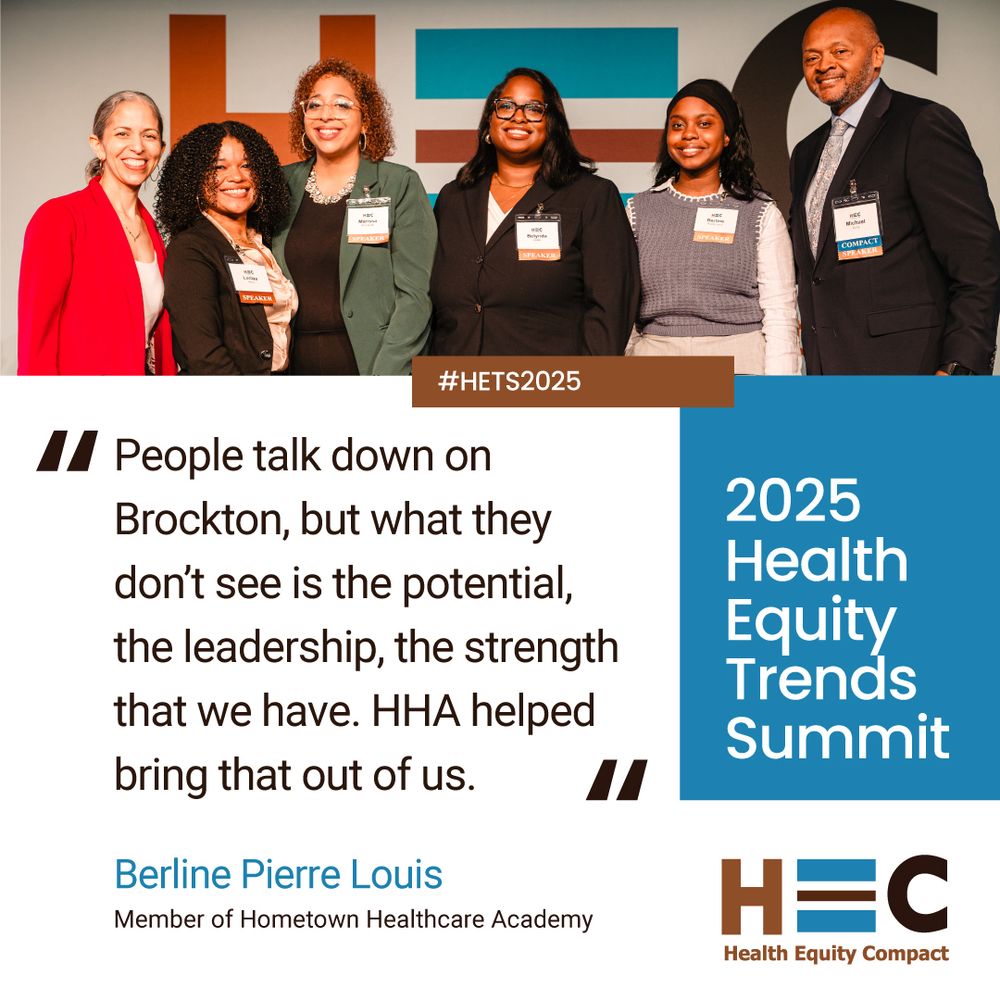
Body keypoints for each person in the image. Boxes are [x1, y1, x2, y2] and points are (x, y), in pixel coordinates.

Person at [790, 6, 1000, 374]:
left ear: (877, 56)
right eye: (812, 57)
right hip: (826, 371)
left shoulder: (921, 125)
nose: (824, 65)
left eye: (840, 51)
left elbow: (978, 259)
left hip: (911, 368)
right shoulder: (806, 152)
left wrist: (960, 365)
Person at [429, 67, 638, 355]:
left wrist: (590, 386)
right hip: (457, 382)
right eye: (506, 106)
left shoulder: (591, 197)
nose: (518, 116)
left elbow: (612, 305)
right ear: (489, 121)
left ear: (552, 123)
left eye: (534, 109)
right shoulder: (453, 198)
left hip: (549, 387)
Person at [272, 59, 436, 375]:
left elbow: (417, 295)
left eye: (343, 105)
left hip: (374, 367)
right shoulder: (280, 185)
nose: (326, 115)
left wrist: (385, 378)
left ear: (366, 121)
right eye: (315, 104)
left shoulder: (398, 183)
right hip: (293, 371)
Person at [627, 79, 800, 374]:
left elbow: (780, 313)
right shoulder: (637, 210)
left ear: (728, 136)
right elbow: (623, 307)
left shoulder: (760, 213)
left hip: (738, 364)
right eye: (677, 125)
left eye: (704, 124)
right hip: (655, 363)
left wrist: (779, 391)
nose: (689, 135)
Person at [18, 91, 175, 375]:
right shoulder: (60, 218)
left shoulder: (153, 230)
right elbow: (37, 335)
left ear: (161, 149)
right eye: (123, 134)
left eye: (149, 136)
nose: (137, 146)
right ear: (98, 145)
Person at [157, 122, 297, 375]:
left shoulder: (264, 244)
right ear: (194, 179)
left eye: (247, 165)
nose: (237, 177)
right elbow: (202, 353)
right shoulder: (191, 250)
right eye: (219, 167)